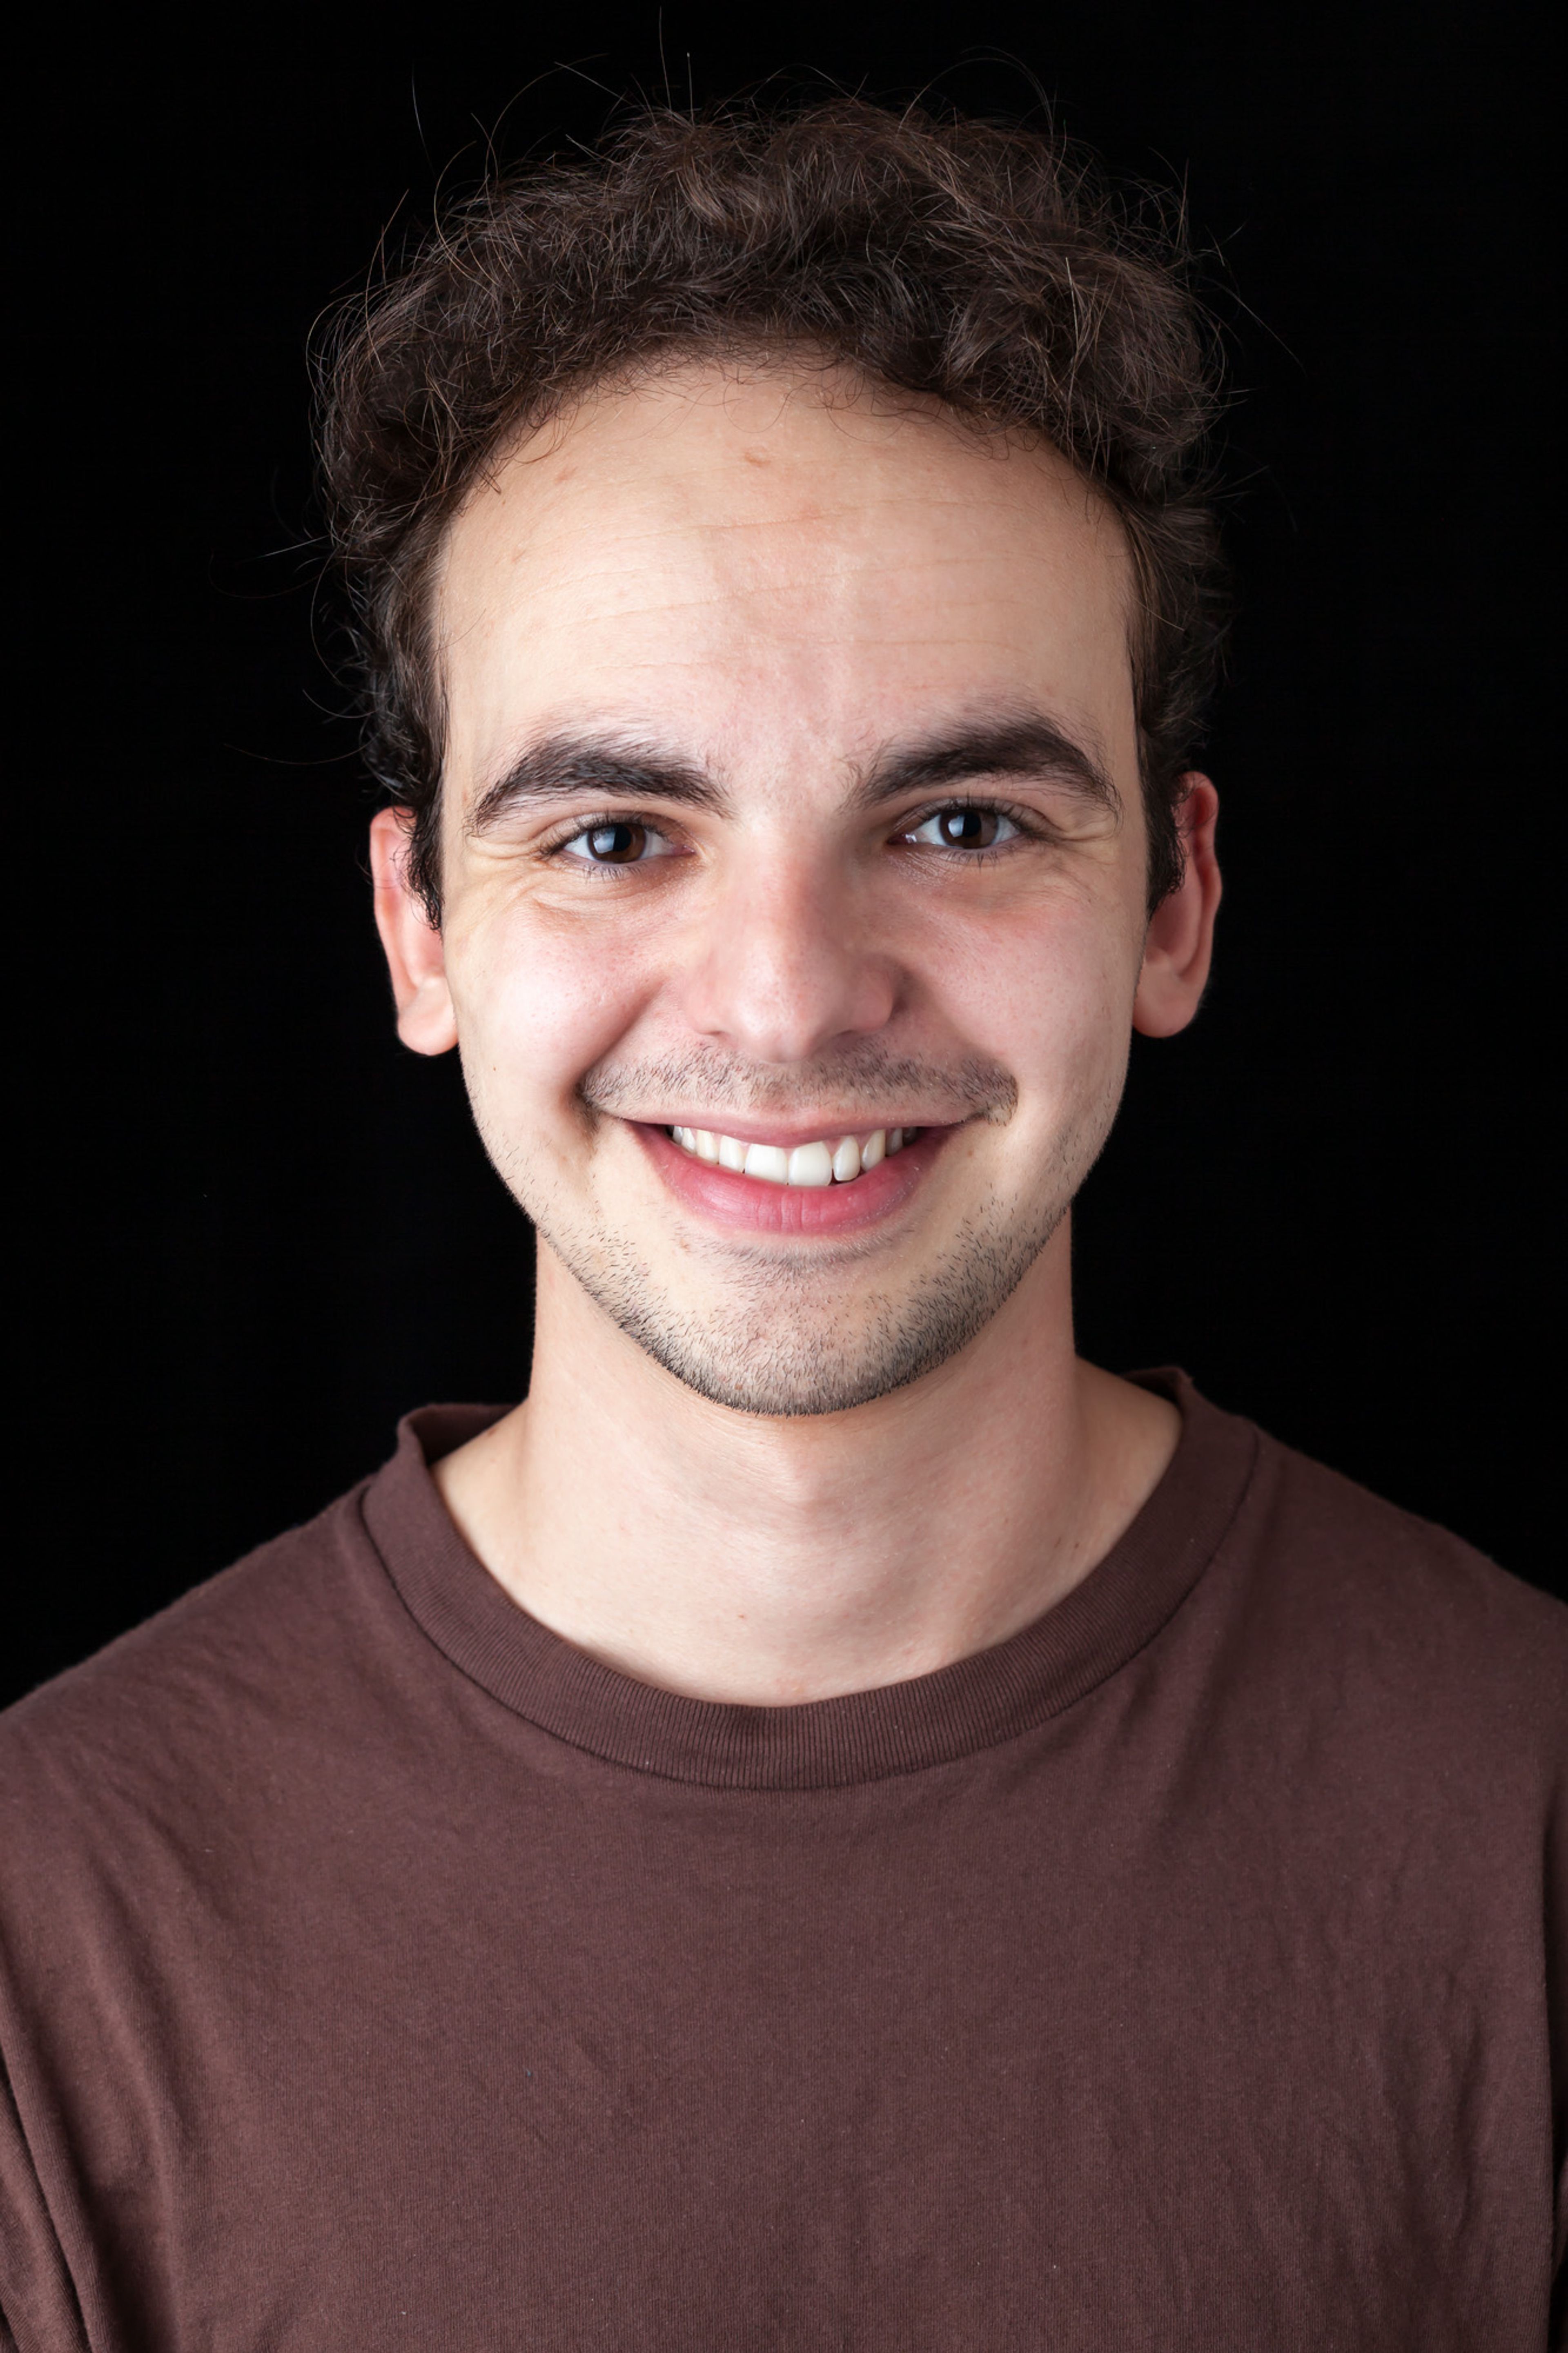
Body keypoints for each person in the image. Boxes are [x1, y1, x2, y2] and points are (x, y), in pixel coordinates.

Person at [1, 101, 1561, 2353]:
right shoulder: (56, 1932)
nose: (787, 994)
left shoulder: (1530, 1817)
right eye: (622, 835)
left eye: (955, 816)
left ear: (1177, 900)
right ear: (420, 933)